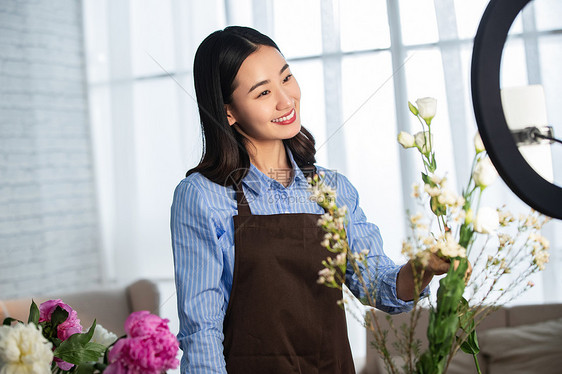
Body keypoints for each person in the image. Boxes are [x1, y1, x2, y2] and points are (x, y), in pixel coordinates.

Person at [171, 26, 451, 374]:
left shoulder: (333, 188)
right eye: (263, 93)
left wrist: (422, 268)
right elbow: (202, 332)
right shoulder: (202, 196)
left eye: (286, 78)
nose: (286, 100)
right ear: (228, 112)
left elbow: (375, 285)